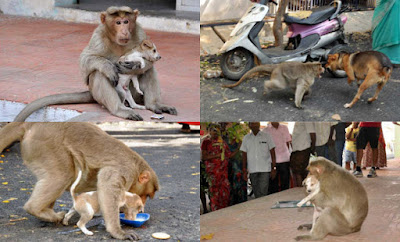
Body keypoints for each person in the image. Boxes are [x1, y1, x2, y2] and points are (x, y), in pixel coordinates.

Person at [241, 122, 276, 198]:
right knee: (257, 194)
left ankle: (263, 208)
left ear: (259, 124)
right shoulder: (246, 138)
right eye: (252, 123)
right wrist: (244, 170)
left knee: (263, 192)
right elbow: (244, 155)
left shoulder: (266, 136)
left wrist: (274, 168)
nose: (254, 125)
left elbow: (272, 152)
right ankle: (260, 208)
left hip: (265, 169)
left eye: (256, 123)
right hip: (252, 170)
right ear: (249, 125)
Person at [201, 124, 231, 211]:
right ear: (209, 131)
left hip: (223, 172)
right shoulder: (206, 142)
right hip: (213, 173)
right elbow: (204, 157)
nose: (215, 132)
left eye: (217, 130)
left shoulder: (222, 142)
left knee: (225, 192)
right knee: (214, 193)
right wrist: (217, 155)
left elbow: (228, 155)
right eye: (213, 130)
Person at [221, 123, 247, 205]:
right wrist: (238, 148)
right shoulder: (223, 141)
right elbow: (228, 156)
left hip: (239, 168)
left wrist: (244, 168)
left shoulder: (238, 140)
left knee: (241, 188)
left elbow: (243, 154)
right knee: (231, 189)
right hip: (229, 169)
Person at [263, 122, 292, 193]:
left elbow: (287, 143)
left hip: (284, 159)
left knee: (285, 184)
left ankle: (285, 201)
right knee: (273, 185)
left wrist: (286, 153)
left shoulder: (284, 128)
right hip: (271, 161)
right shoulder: (266, 130)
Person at [372, 0, 400, 64]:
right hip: (386, 6)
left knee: (395, 27)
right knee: (385, 29)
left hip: (396, 7)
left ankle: (393, 58)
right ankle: (382, 56)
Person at [290, 122, 316, 187]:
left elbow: (312, 134)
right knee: (297, 171)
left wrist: (312, 148)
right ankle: (300, 190)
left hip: (303, 149)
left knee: (299, 172)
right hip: (296, 150)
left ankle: (300, 191)